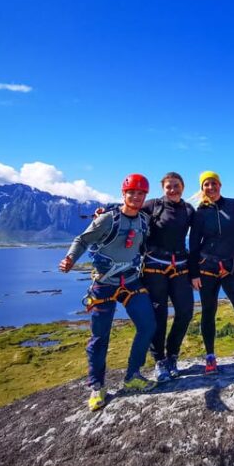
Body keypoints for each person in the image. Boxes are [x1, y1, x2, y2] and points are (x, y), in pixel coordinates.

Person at [59, 174, 157, 411]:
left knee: (148, 325)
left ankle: (133, 375)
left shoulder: (143, 221)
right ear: (124, 194)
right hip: (104, 284)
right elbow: (82, 240)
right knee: (100, 337)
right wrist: (70, 258)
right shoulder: (107, 220)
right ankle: (97, 386)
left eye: (141, 193)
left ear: (145, 196)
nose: (136, 196)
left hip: (131, 281)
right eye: (132, 192)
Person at [189, 171, 234, 375]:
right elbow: (194, 244)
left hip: (232, 267)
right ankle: (210, 358)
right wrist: (193, 273)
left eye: (213, 183)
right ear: (202, 188)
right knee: (208, 313)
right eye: (206, 185)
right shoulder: (200, 212)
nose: (210, 188)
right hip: (207, 269)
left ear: (220, 185)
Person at [140, 172, 195, 383]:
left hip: (180, 267)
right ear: (163, 188)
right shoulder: (152, 206)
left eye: (176, 186)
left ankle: (173, 355)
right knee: (158, 316)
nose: (173, 190)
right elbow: (128, 214)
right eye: (168, 186)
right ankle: (160, 360)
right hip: (154, 269)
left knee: (185, 312)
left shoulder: (188, 209)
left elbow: (199, 235)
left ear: (183, 187)